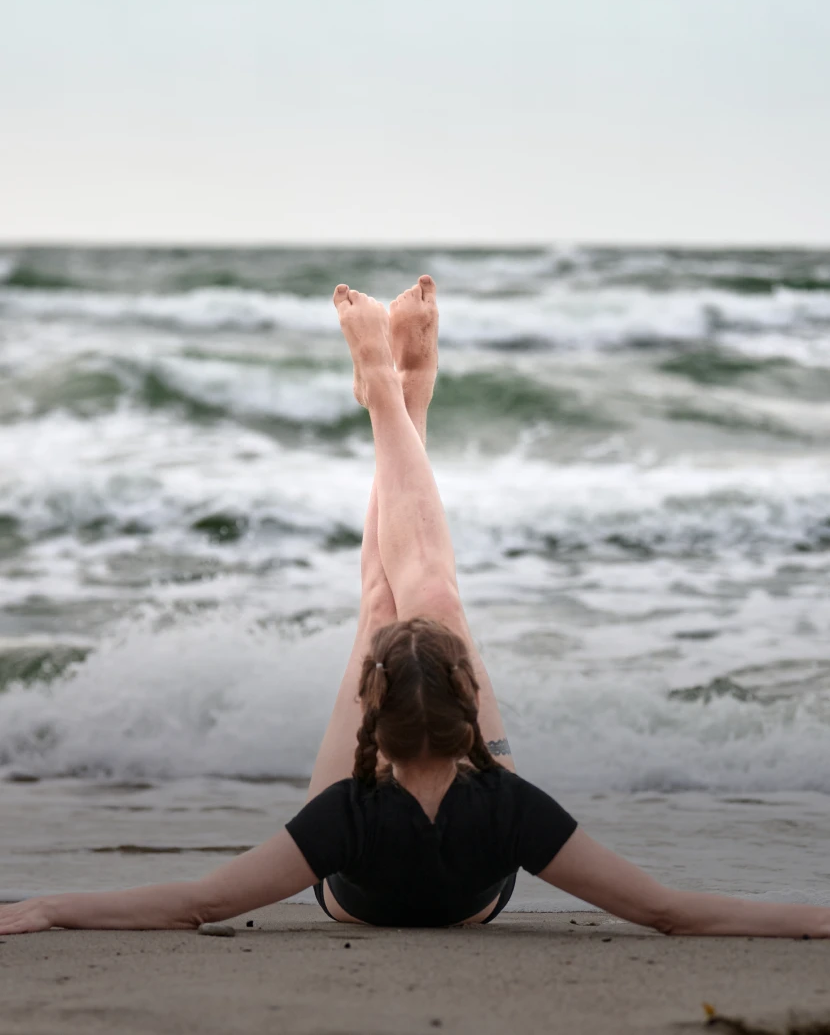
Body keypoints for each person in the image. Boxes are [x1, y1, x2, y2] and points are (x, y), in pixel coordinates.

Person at [1, 277, 828, 937]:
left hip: (351, 891)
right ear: (474, 722)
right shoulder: (506, 808)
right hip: (478, 890)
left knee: (382, 603)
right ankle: (401, 402)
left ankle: (391, 400)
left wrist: (48, 906)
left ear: (373, 713)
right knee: (427, 597)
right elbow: (667, 912)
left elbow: (197, 903)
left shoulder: (347, 815)